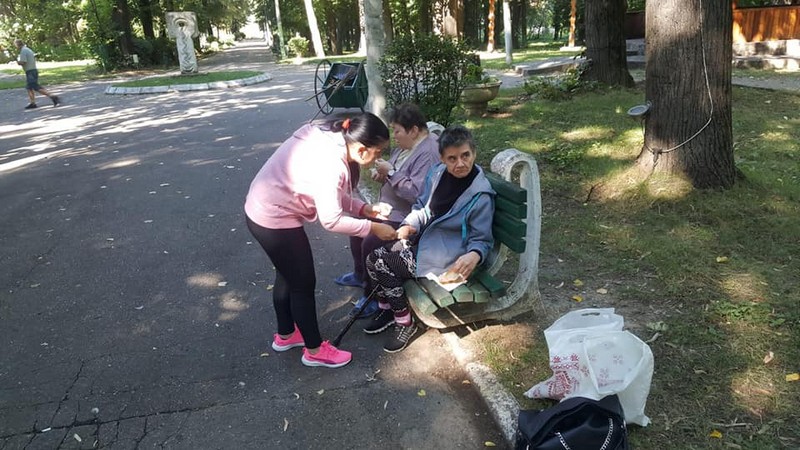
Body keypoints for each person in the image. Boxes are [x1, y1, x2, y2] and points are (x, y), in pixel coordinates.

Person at [245, 113, 397, 369]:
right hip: (274, 217)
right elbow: (331, 220)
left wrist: (363, 209)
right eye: (378, 152)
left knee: (287, 275)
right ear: (362, 149)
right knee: (302, 284)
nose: (378, 158)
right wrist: (373, 228)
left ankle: (287, 335)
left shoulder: (330, 138)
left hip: (261, 208)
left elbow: (329, 193)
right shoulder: (331, 164)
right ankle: (314, 351)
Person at [362, 125, 496, 353]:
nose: (460, 163)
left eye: (465, 155)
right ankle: (388, 309)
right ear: (442, 159)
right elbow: (423, 208)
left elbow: (482, 239)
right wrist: (409, 224)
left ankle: (405, 323)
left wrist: (474, 255)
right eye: (452, 158)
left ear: (474, 153)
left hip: (448, 255)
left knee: (384, 264)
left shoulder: (480, 195)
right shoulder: (437, 174)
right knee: (372, 258)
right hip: (426, 242)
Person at [334, 104, 442, 319]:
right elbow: (392, 168)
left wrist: (391, 174)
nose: (395, 136)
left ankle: (372, 296)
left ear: (413, 130)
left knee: (370, 240)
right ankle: (360, 274)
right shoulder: (406, 146)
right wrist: (383, 174)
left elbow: (417, 194)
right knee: (358, 225)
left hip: (406, 216)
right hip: (390, 209)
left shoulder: (428, 152)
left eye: (397, 131)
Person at [14, 39, 60, 109]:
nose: (15, 46)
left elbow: (23, 62)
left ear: (17, 44)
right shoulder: (27, 49)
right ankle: (33, 103)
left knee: (35, 87)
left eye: (15, 45)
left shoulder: (23, 51)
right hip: (32, 70)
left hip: (30, 71)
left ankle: (52, 96)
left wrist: (18, 62)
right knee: (29, 88)